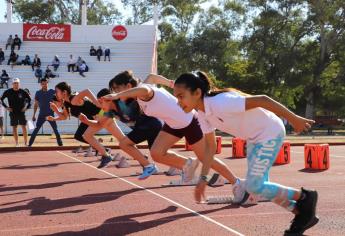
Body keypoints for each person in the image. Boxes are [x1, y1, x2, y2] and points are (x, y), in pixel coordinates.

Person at [172, 71, 319, 235]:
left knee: (254, 186)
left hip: (270, 131)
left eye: (180, 96)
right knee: (260, 188)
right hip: (254, 139)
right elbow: (210, 147)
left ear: (197, 93)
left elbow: (263, 100)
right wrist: (203, 178)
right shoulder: (202, 114)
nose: (178, 102)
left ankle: (305, 197)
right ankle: (302, 215)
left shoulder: (222, 102)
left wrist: (294, 119)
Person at [103, 71, 247, 202]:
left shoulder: (144, 91)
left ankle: (237, 183)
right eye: (114, 91)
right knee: (156, 153)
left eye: (117, 89)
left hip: (189, 121)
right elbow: (153, 76)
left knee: (205, 157)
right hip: (173, 124)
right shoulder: (141, 91)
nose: (115, 92)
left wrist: (117, 96)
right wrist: (170, 83)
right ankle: (187, 164)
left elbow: (145, 88)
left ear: (128, 86)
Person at [80, 87, 162, 180]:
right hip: (145, 128)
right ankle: (180, 166)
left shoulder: (123, 102)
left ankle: (148, 166)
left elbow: (138, 92)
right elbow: (99, 124)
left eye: (101, 102)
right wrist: (86, 121)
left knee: (124, 144)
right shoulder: (108, 111)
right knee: (158, 155)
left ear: (109, 100)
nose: (99, 105)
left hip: (151, 125)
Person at [47, 82, 113, 168]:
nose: (55, 93)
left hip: (102, 113)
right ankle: (105, 152)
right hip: (96, 117)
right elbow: (64, 117)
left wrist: (97, 103)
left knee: (86, 135)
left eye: (56, 91)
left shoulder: (74, 99)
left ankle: (105, 153)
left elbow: (87, 91)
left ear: (64, 92)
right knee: (121, 139)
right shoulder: (67, 103)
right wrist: (55, 112)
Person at [28, 78, 62, 147]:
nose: (44, 85)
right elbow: (36, 104)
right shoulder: (38, 93)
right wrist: (34, 115)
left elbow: (58, 101)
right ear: (41, 84)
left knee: (55, 129)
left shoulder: (52, 91)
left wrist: (60, 110)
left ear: (47, 83)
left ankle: (60, 144)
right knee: (36, 129)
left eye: (45, 83)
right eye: (43, 84)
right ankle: (29, 144)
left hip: (50, 114)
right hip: (41, 115)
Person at [0, 78, 31, 146]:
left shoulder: (23, 91)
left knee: (24, 126)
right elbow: (1, 99)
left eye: (17, 83)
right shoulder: (8, 91)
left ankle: (26, 142)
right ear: (12, 84)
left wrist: (26, 108)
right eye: (14, 83)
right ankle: (17, 143)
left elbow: (30, 100)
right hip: (13, 112)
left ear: (19, 84)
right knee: (14, 127)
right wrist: (6, 107)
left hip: (21, 112)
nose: (16, 84)